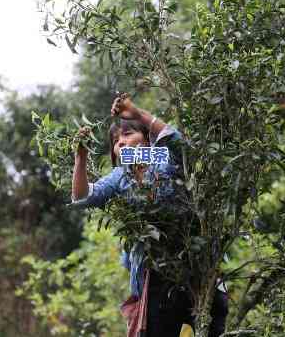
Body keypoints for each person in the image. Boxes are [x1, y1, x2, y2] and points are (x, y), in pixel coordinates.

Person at [70, 93, 228, 337]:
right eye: (115, 140)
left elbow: (179, 144)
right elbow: (82, 197)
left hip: (197, 267)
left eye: (127, 134)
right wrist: (81, 156)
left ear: (145, 140)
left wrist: (137, 113)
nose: (120, 143)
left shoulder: (162, 160)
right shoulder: (121, 176)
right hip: (156, 276)